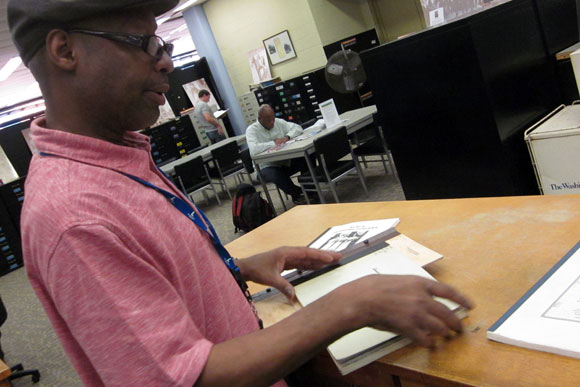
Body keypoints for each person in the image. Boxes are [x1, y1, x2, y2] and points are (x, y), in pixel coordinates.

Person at [9, 0, 473, 385]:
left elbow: (158, 274)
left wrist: (238, 269)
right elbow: (182, 378)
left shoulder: (119, 155)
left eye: (163, 43)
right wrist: (351, 304)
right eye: (145, 43)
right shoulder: (74, 215)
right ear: (64, 50)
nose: (167, 61)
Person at [246, 104, 314, 204]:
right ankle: (298, 194)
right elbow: (253, 150)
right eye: (269, 120)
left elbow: (297, 128)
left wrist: (287, 137)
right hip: (265, 166)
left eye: (273, 118)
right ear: (260, 118)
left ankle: (310, 189)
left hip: (284, 161)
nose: (272, 122)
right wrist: (273, 143)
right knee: (276, 175)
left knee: (307, 157)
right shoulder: (252, 130)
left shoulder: (278, 122)